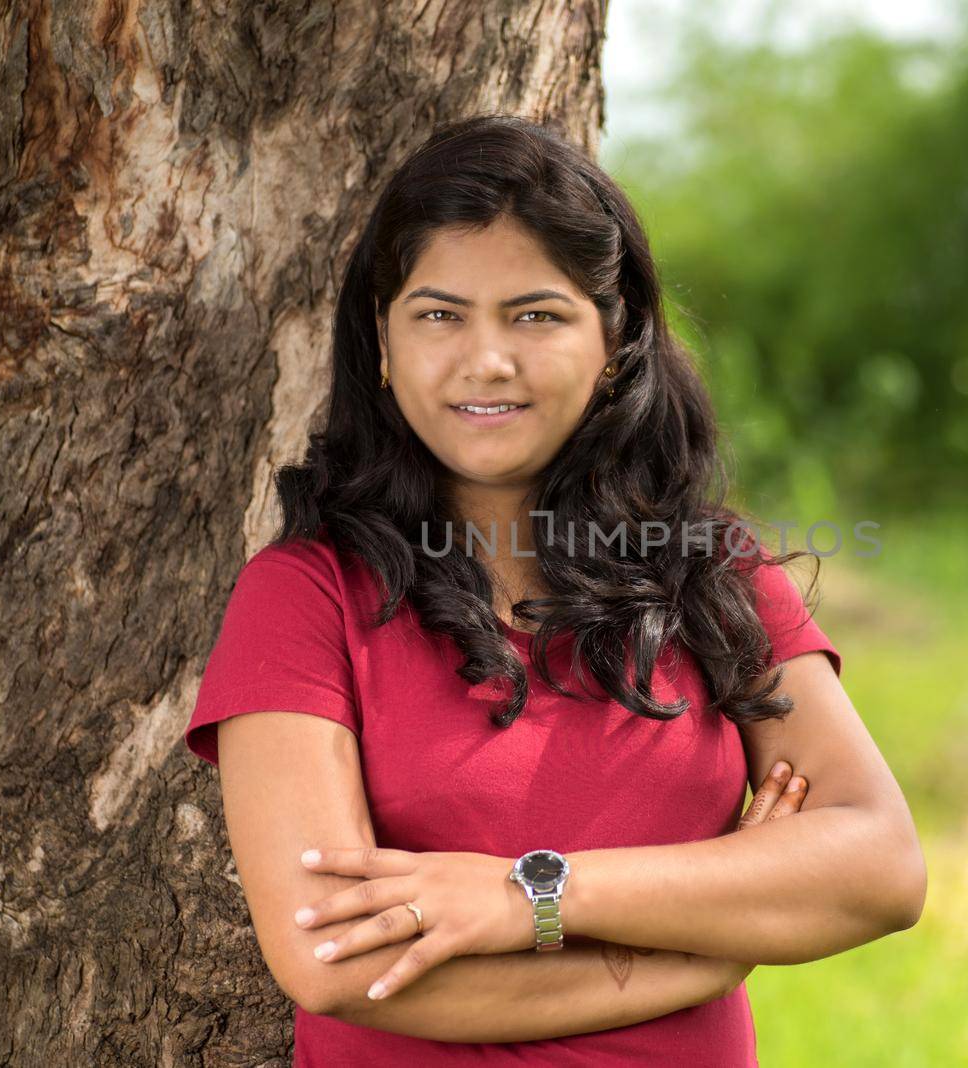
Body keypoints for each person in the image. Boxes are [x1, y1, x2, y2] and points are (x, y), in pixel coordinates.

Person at [182, 113, 925, 1066]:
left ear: (615, 341)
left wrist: (525, 895)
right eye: (439, 314)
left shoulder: (711, 570)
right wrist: (700, 951)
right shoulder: (305, 598)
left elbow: (881, 866)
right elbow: (333, 959)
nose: (486, 360)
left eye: (536, 314)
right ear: (382, 340)